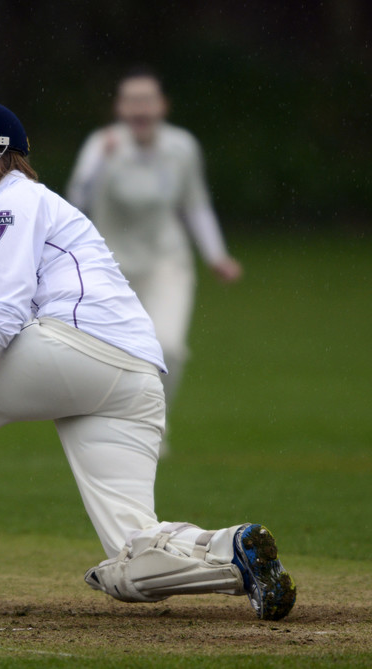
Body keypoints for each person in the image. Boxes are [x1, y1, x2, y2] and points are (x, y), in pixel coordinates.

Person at [0, 100, 295, 620]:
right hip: (133, 377)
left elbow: (0, 324)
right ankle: (231, 550)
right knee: (132, 552)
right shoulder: (25, 210)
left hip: (74, 349)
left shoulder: (9, 205)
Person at [67, 68, 243, 442]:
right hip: (111, 266)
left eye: (147, 99)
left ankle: (151, 427)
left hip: (167, 260)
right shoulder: (102, 145)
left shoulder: (182, 147)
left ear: (162, 106)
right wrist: (101, 163)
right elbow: (76, 200)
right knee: (109, 354)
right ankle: (112, 426)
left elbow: (195, 205)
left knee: (168, 348)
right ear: (120, 108)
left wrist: (217, 256)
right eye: (131, 100)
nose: (140, 108)